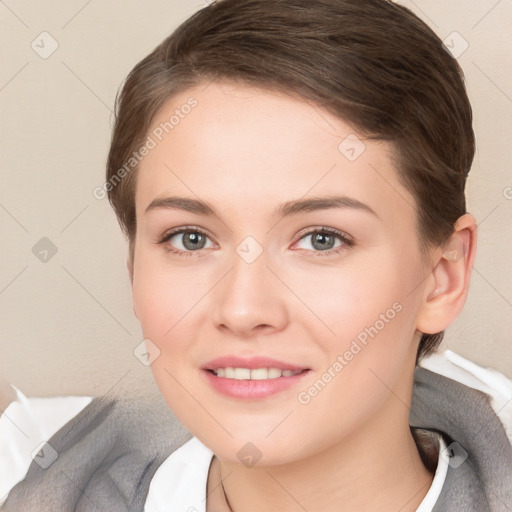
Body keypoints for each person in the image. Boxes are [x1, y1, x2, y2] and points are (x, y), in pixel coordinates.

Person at [1, 0, 512, 510]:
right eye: (190, 238)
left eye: (321, 239)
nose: (243, 310)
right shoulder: (26, 472)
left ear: (442, 278)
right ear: (133, 265)